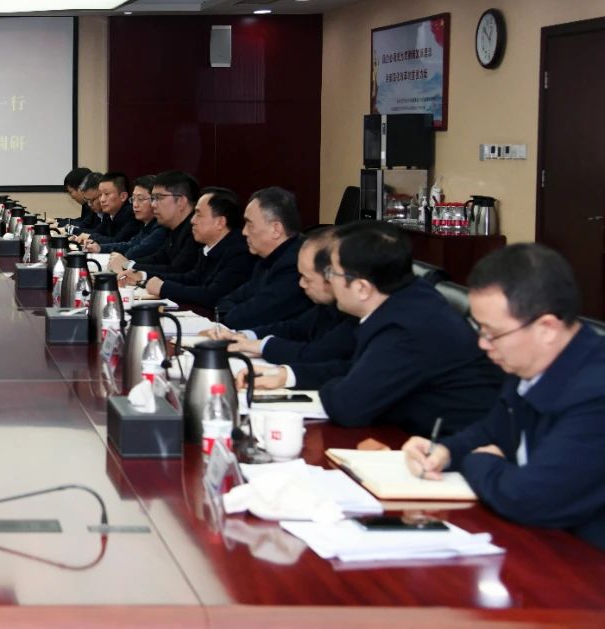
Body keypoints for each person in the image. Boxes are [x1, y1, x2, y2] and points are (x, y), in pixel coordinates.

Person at [403, 244, 605, 548]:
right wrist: (445, 451)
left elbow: (529, 498)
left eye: (492, 333)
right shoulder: (529, 363)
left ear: (547, 328)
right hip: (545, 543)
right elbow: (491, 431)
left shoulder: (596, 394)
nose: (483, 344)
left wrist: (478, 462)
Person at [247, 221, 503, 436]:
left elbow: (348, 406)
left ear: (362, 288)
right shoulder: (406, 298)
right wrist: (287, 376)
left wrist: (341, 386)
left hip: (455, 451)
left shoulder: (405, 326)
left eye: (332, 273)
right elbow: (359, 370)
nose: (328, 281)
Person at [225, 227, 357, 365]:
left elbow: (319, 354)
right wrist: (243, 336)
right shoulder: (325, 307)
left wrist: (262, 346)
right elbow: (295, 329)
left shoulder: (355, 315)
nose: (301, 284)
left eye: (307, 279)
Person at [213, 187, 312, 329]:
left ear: (276, 229)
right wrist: (227, 313)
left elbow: (246, 318)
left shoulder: (295, 264)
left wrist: (228, 315)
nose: (244, 232)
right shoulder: (266, 259)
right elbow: (227, 300)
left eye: (249, 224)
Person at [141, 186, 255, 310]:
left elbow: (212, 295)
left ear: (220, 222)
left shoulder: (240, 253)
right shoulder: (209, 248)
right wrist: (144, 276)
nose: (192, 220)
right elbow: (191, 278)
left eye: (199, 215)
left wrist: (164, 288)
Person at [114, 170, 202, 283]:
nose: (153, 205)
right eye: (152, 198)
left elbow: (178, 270)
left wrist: (128, 266)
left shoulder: (195, 231)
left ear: (180, 201)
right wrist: (129, 265)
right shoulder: (173, 228)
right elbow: (159, 258)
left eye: (158, 198)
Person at [86, 175, 166, 260]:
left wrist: (125, 263)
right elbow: (130, 245)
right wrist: (100, 248)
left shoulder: (161, 227)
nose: (135, 205)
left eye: (140, 199)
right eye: (133, 199)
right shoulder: (147, 225)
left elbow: (134, 252)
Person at [75, 172, 139, 245]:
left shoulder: (133, 214)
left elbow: (117, 242)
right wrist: (79, 237)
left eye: (106, 194)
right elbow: (97, 232)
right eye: (100, 195)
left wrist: (90, 237)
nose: (102, 200)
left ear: (123, 196)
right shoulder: (108, 214)